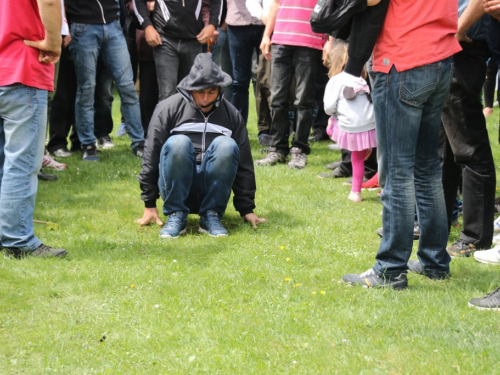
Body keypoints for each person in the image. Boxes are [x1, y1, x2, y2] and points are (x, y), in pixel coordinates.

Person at [342, 0, 461, 288]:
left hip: (402, 59)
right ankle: (434, 262)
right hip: (439, 57)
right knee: (427, 167)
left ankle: (390, 268)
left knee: (397, 171)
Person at [137, 53, 266, 238]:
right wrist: (149, 203)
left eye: (211, 92)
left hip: (214, 188)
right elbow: (151, 154)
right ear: (190, 89)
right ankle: (176, 214)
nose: (205, 99)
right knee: (178, 142)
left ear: (220, 90)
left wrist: (247, 209)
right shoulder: (168, 108)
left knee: (226, 145)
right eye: (200, 92)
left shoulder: (231, 115)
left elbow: (244, 162)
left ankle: (211, 216)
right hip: (176, 184)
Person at [0, 0, 67, 258]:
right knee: (23, 162)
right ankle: (18, 240)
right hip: (22, 65)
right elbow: (49, 1)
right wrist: (53, 42)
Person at [65, 0, 145, 161]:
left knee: (127, 86)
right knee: (87, 88)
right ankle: (88, 144)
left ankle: (139, 142)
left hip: (112, 25)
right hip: (83, 25)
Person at [254, 0, 324, 169]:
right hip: (281, 40)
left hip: (309, 41)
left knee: (304, 100)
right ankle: (278, 148)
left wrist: (329, 40)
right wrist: (266, 35)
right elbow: (276, 4)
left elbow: (328, 7)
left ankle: (299, 149)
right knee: (277, 98)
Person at [134, 0, 222, 101]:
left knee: (190, 94)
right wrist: (147, 26)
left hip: (194, 39)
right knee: (167, 94)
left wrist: (212, 25)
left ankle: (187, 117)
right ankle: (166, 117)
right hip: (164, 39)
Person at [323, 40, 377, 202]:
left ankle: (356, 192)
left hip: (351, 128)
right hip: (372, 126)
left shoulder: (335, 81)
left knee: (356, 158)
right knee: (362, 157)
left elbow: (328, 107)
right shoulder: (362, 80)